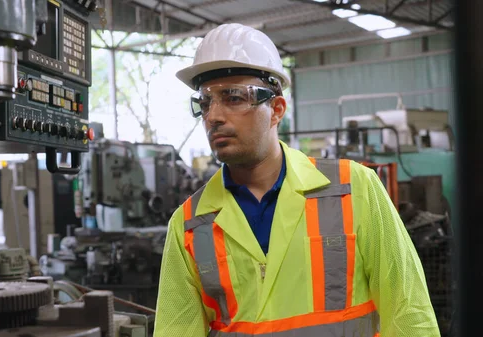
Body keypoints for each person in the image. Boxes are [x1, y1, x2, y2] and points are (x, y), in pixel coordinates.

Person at [153, 23, 440, 337]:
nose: (214, 116)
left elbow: (409, 315)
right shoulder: (189, 226)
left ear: (276, 110)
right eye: (206, 102)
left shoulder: (354, 188)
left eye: (233, 98)